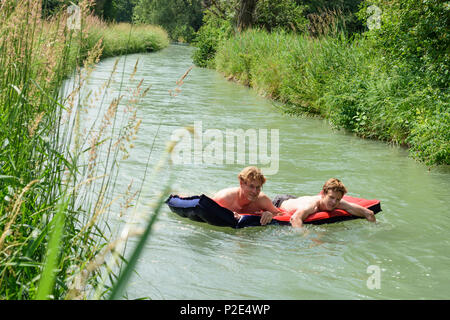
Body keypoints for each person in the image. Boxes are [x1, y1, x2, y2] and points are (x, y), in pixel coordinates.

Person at [274, 178, 376, 228]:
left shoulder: (338, 202)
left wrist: (375, 227)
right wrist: (305, 235)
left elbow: (369, 213)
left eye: (337, 199)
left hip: (297, 200)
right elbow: (295, 218)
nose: (334, 202)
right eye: (331, 197)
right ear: (323, 194)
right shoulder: (311, 205)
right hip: (280, 202)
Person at [212, 166, 282, 225]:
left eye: (258, 187)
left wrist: (270, 214)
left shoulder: (262, 199)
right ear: (241, 183)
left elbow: (280, 214)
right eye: (251, 186)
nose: (255, 191)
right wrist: (227, 214)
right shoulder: (224, 198)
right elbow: (208, 208)